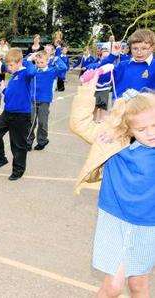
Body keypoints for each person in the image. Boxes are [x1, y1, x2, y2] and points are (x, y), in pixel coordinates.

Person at [70, 73, 155, 298]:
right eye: (142, 129)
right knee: (113, 287)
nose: (151, 133)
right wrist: (87, 89)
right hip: (114, 219)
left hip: (149, 226)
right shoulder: (115, 142)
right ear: (129, 129)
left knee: (138, 285)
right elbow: (79, 124)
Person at [0, 48, 36, 180]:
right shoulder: (14, 76)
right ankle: (0, 159)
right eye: (8, 65)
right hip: (8, 113)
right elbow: (10, 96)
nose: (9, 68)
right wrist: (3, 89)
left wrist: (27, 60)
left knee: (18, 144)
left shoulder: (25, 73)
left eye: (11, 65)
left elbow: (32, 71)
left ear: (19, 62)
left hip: (21, 115)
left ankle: (18, 170)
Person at [96, 29, 155, 99]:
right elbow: (99, 76)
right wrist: (112, 56)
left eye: (144, 49)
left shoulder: (153, 66)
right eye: (135, 49)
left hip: (144, 108)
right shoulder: (122, 65)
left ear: (152, 48)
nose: (139, 52)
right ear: (130, 48)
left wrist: (142, 96)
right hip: (118, 108)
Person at [27, 51, 67, 151]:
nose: (39, 65)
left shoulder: (51, 71)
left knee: (42, 122)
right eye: (37, 62)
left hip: (44, 100)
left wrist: (57, 58)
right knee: (31, 122)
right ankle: (28, 142)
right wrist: (29, 58)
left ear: (47, 61)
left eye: (42, 62)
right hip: (32, 100)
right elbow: (24, 64)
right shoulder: (34, 70)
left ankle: (42, 140)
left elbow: (63, 68)